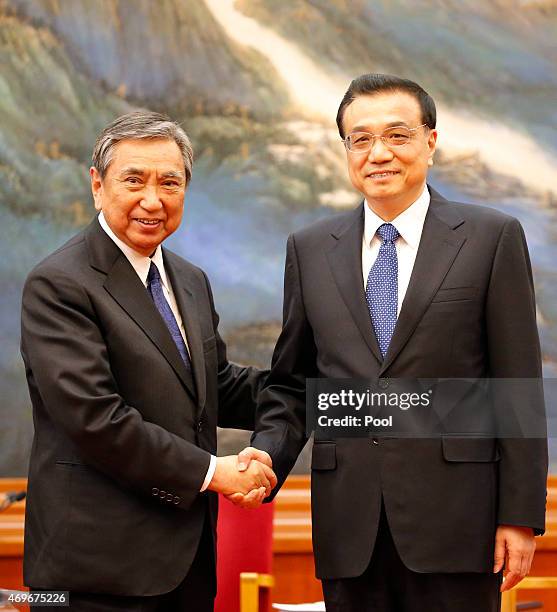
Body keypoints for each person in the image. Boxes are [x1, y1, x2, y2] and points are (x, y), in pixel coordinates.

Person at [242, 74, 548, 611]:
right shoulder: (310, 249)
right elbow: (294, 385)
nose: (378, 153)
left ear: (430, 142)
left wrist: (519, 516)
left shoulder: (490, 237)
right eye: (360, 139)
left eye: (397, 135)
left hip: (459, 524)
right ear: (346, 152)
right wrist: (264, 459)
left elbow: (515, 385)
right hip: (349, 527)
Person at [20, 111, 275, 611]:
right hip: (98, 573)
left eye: (170, 182)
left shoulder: (190, 280)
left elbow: (215, 389)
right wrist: (214, 472)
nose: (153, 200)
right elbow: (96, 420)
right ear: (97, 185)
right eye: (133, 180)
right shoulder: (59, 284)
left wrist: (321, 393)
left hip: (187, 568)